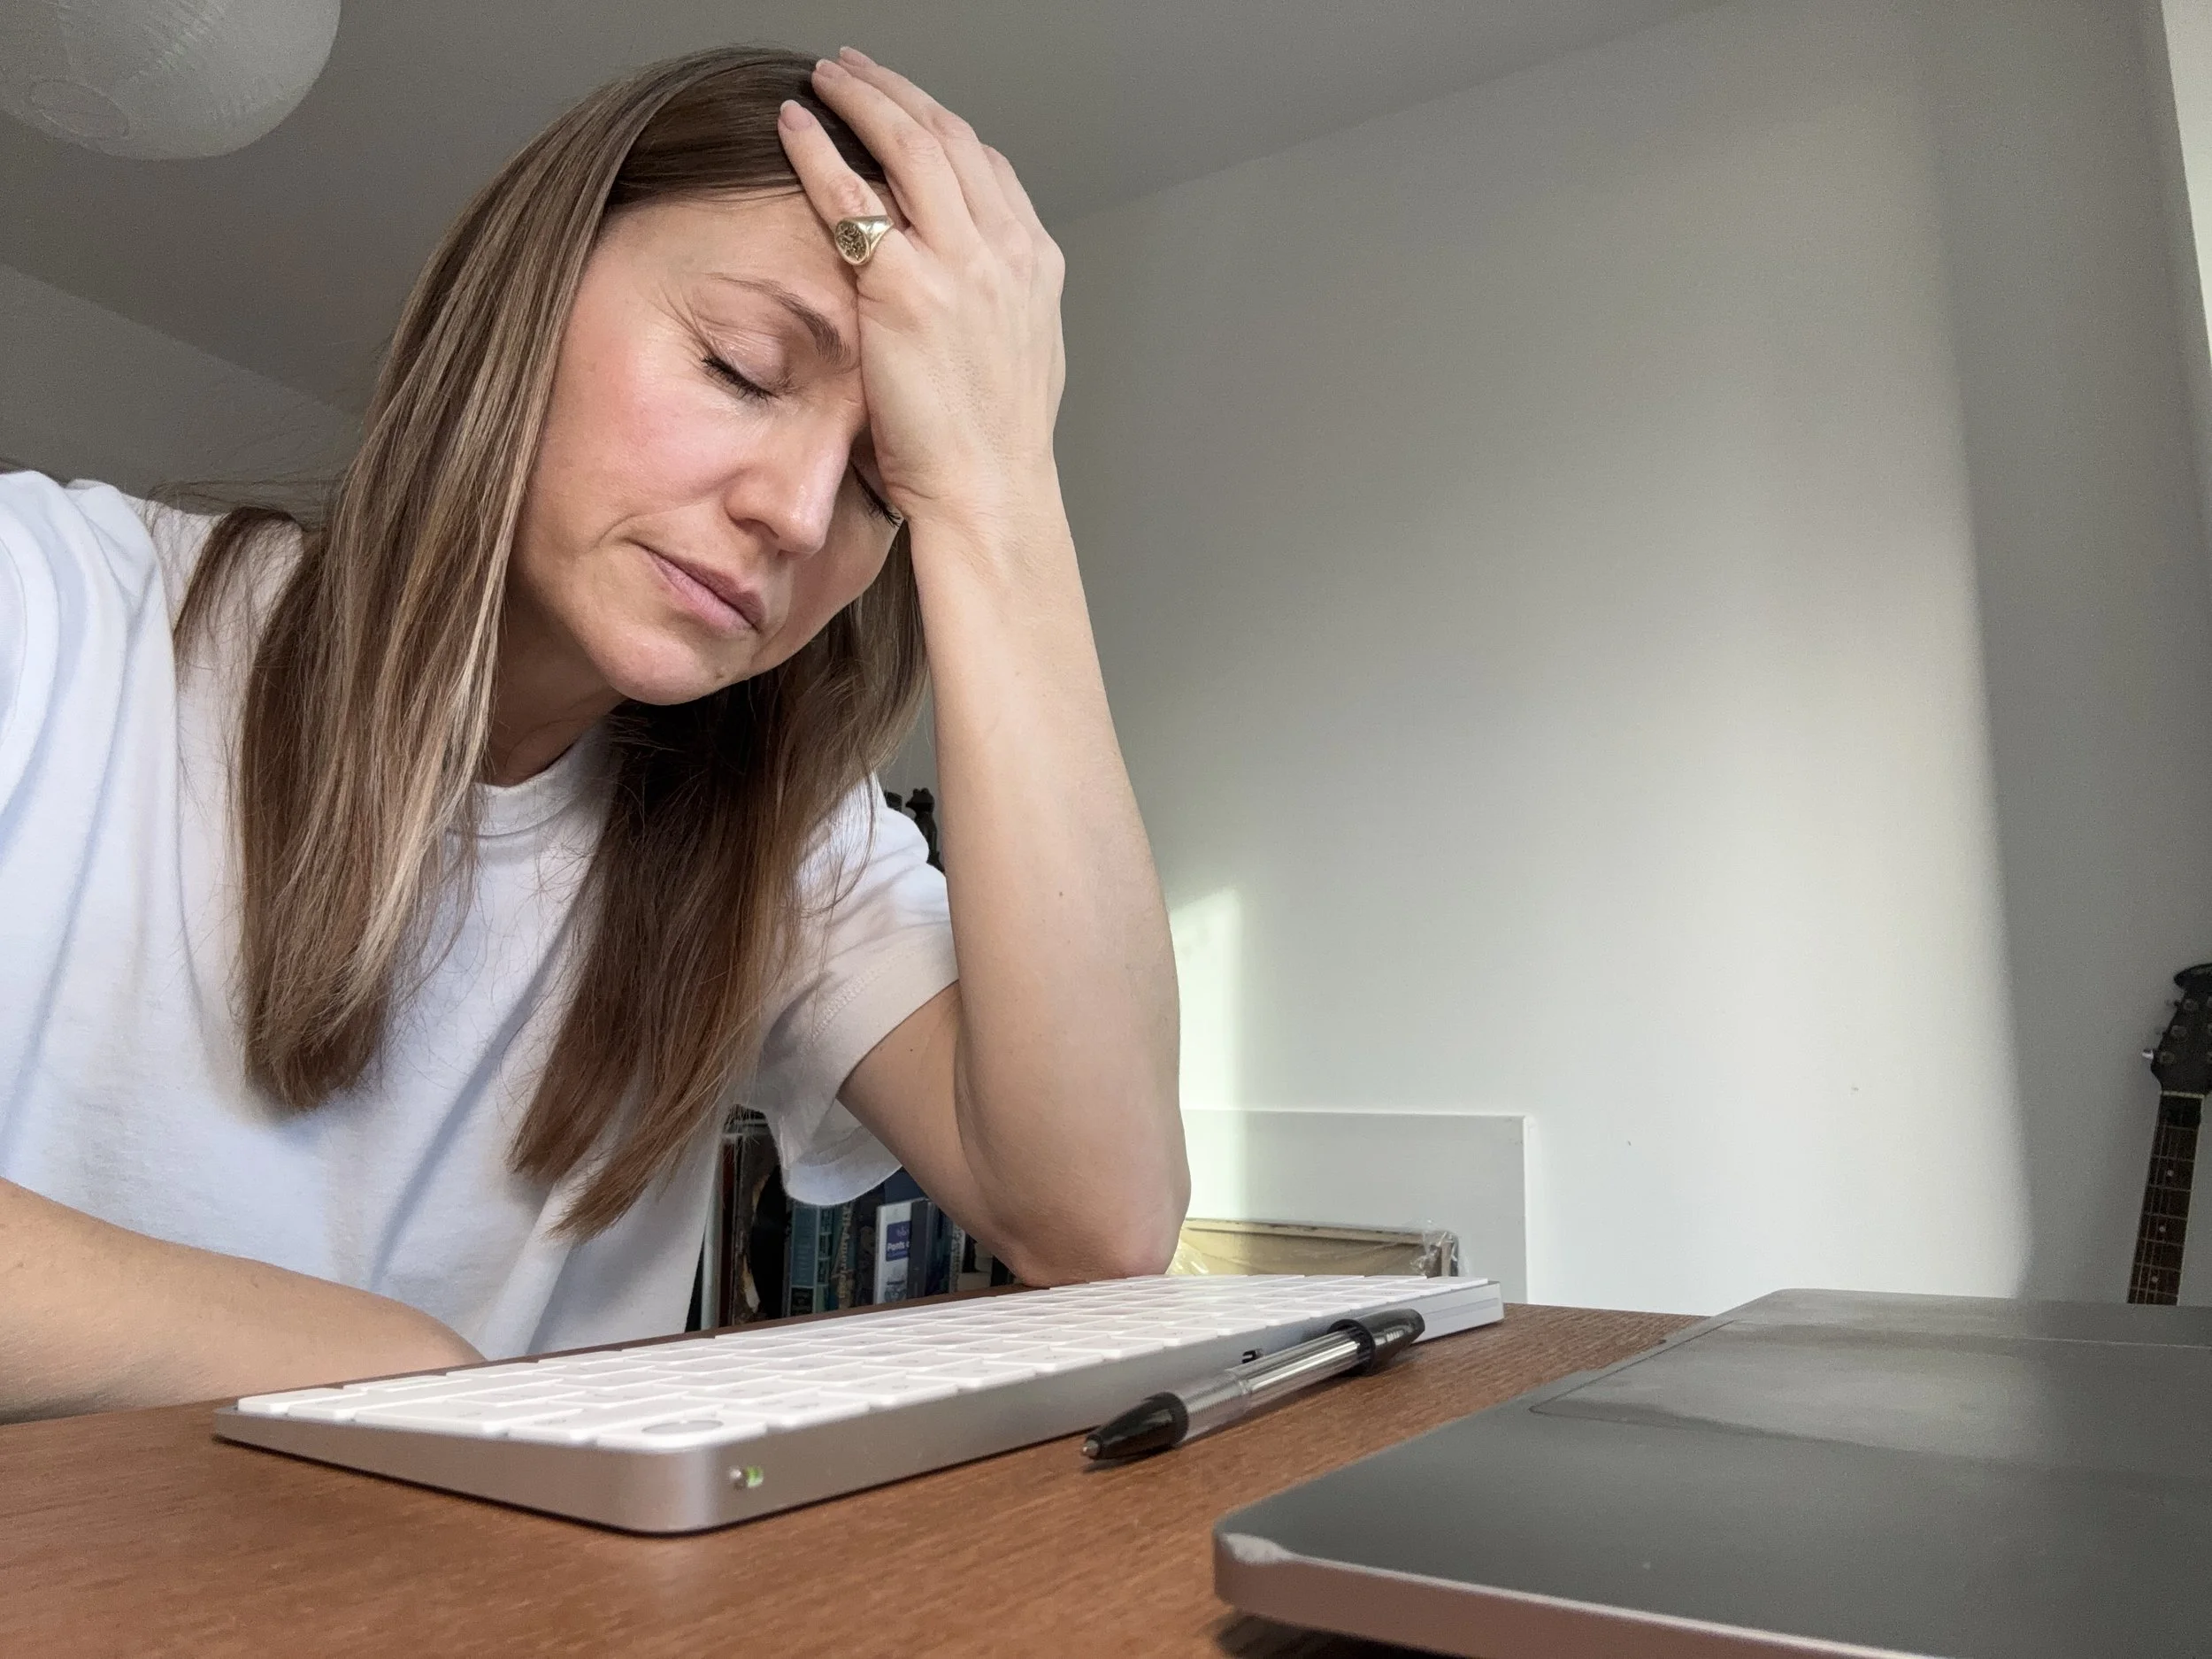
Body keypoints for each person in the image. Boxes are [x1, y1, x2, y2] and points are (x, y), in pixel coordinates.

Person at [0, 45, 1187, 1420]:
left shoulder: (789, 843)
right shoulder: (50, 607)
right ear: (534, 287)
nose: (799, 513)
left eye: (880, 488)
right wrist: (402, 1375)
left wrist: (996, 489)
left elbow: (1102, 1221)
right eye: (743, 369)